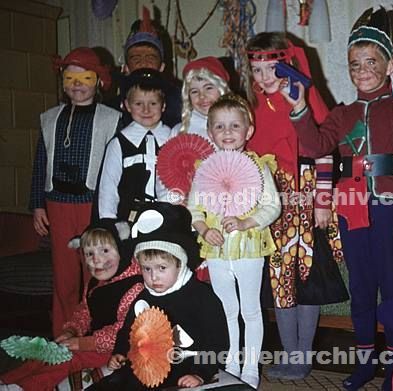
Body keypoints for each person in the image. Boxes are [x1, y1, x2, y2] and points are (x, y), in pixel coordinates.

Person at [283, 7, 393, 390]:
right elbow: (316, 144)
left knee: (392, 288)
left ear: (390, 64)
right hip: (351, 212)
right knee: (362, 289)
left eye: (371, 61)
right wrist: (298, 106)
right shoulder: (342, 113)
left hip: (391, 210)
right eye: (354, 63)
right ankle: (364, 363)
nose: (362, 70)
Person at [242, 32, 344, 380]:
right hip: (268, 201)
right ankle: (291, 354)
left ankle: (302, 357)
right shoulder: (249, 104)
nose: (264, 78)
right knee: (278, 280)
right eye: (256, 71)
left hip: (305, 195)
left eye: (271, 68)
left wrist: (323, 201)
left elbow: (325, 150)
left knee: (307, 278)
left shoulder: (302, 97)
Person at [187, 94, 281, 389]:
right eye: (219, 126)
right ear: (209, 131)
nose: (227, 132)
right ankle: (231, 363)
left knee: (250, 309)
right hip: (216, 250)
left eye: (234, 126)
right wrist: (203, 229)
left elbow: (272, 206)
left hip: (249, 247)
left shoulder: (258, 166)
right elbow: (193, 208)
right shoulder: (204, 169)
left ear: (248, 130)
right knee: (226, 308)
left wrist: (244, 222)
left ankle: (251, 366)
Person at [29, 47, 121, 337]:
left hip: (92, 203)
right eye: (70, 77)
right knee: (64, 274)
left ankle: (96, 335)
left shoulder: (112, 118)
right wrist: (37, 204)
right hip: (57, 203)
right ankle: (63, 335)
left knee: (95, 270)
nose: (77, 84)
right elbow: (40, 162)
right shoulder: (49, 118)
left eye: (85, 77)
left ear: (99, 81)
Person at [87, 202, 229, 390]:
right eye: (147, 269)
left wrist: (201, 373)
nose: (154, 277)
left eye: (162, 268)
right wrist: (120, 352)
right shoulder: (143, 297)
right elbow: (128, 330)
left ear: (180, 264)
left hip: (187, 366)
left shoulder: (201, 295)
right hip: (145, 365)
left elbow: (217, 342)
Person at [0, 219, 144, 391]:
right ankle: (6, 380)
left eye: (105, 251)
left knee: (68, 360)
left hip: (119, 349)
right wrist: (72, 331)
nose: (96, 260)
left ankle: (25, 387)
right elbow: (84, 311)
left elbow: (122, 332)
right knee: (46, 354)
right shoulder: (95, 282)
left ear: (122, 251)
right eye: (89, 254)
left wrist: (81, 343)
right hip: (91, 341)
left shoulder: (134, 286)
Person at [97, 68, 171, 221]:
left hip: (168, 217)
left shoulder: (173, 139)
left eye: (153, 103)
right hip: (129, 218)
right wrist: (108, 220)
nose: (146, 110)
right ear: (127, 105)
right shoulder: (119, 144)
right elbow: (108, 186)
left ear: (163, 106)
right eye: (138, 103)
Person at [117, 8, 182, 128]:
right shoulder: (112, 110)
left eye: (151, 58)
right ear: (126, 68)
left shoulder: (180, 102)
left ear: (162, 66)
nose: (143, 63)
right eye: (136, 58)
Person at [170, 56, 231, 141]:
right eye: (194, 91)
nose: (201, 96)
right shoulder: (179, 131)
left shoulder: (234, 128)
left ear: (221, 90)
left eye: (208, 88)